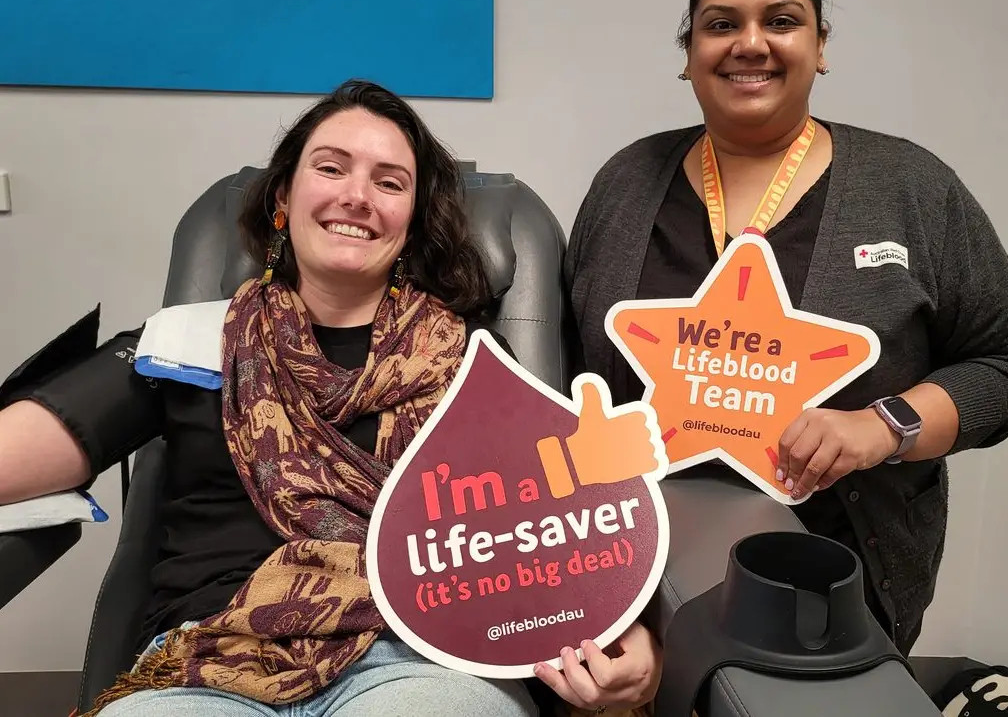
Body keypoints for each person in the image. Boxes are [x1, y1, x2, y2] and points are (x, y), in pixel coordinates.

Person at [0, 80, 659, 717]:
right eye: (332, 168)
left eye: (389, 181)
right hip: (206, 667)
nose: (357, 196)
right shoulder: (186, 344)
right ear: (283, 195)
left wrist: (624, 639)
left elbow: (561, 538)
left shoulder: (474, 367)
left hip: (418, 665)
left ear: (412, 218)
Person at [565, 0, 1008, 657]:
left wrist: (884, 426)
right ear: (689, 51)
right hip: (628, 572)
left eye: (781, 20)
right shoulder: (626, 183)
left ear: (820, 45)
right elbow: (571, 381)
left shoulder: (910, 188)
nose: (750, 44)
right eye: (721, 24)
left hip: (830, 587)